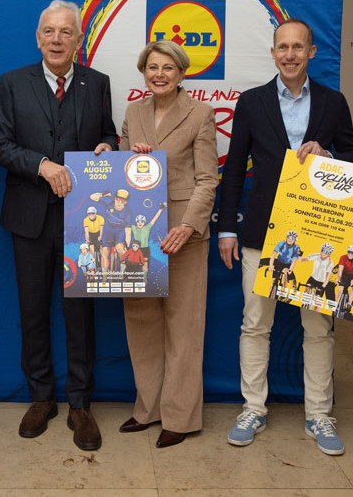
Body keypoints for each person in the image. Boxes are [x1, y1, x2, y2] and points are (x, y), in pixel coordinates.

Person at [216, 18, 353, 455]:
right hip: (262, 231)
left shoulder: (333, 103)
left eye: (298, 47)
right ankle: (253, 408)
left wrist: (330, 153)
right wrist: (226, 226)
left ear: (311, 52)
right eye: (282, 47)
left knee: (318, 328)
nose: (290, 54)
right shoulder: (252, 102)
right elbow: (234, 167)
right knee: (255, 324)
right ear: (274, 52)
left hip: (321, 236)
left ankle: (319, 414)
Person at [0, 0, 117, 451]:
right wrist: (41, 165)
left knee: (80, 315)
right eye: (49, 31)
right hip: (29, 218)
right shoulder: (11, 83)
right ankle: (41, 397)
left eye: (66, 32)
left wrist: (105, 147)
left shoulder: (96, 83)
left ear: (78, 39)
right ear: (38, 37)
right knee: (32, 312)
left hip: (86, 221)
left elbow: (109, 133)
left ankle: (80, 404)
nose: (57, 40)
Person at [117, 39, 218, 448]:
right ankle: (148, 409)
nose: (159, 74)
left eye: (168, 68)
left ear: (181, 73)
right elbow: (121, 171)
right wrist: (130, 154)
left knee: (184, 327)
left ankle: (180, 416)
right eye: (152, 67)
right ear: (144, 71)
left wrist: (189, 226)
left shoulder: (201, 113)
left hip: (183, 237)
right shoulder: (133, 111)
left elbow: (208, 179)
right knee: (141, 323)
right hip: (137, 236)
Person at [296, 242, 335, 311]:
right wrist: (299, 255)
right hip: (313, 279)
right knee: (306, 291)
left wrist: (323, 287)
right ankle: (304, 305)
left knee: (317, 303)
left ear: (329, 253)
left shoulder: (330, 262)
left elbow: (327, 276)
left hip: (322, 282)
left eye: (326, 252)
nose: (324, 253)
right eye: (323, 250)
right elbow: (301, 260)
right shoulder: (316, 255)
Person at [335, 244, 353, 315]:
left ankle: (349, 303)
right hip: (344, 274)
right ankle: (335, 304)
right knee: (340, 289)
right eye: (349, 252)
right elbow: (340, 270)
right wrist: (338, 279)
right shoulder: (343, 257)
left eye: (352, 253)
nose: (350, 254)